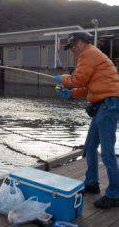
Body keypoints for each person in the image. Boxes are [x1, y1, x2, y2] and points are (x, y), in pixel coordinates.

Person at [53, 32, 119, 209]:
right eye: (70, 46)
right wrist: (71, 93)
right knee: (90, 147)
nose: (73, 48)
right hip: (103, 105)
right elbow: (88, 85)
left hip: (108, 105)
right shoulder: (91, 54)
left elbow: (78, 79)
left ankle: (115, 194)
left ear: (84, 41)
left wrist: (63, 80)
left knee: (107, 153)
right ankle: (92, 183)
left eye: (75, 44)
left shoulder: (88, 53)